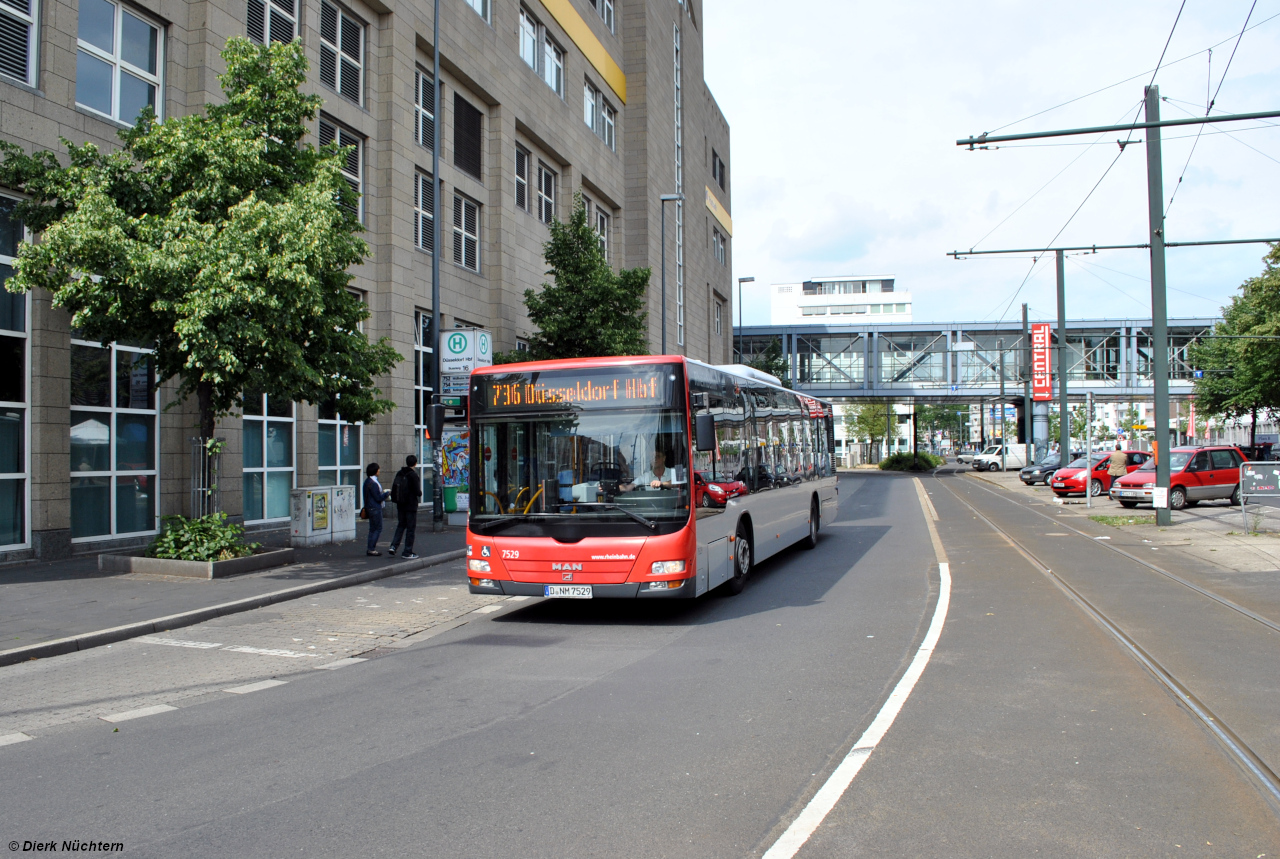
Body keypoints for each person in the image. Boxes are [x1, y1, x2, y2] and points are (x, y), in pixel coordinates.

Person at [388, 455, 423, 559]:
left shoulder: (400, 473)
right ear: (415, 463)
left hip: (400, 504)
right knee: (410, 529)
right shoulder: (413, 475)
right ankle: (407, 551)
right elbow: (417, 491)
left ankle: (393, 546)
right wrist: (419, 493)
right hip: (410, 505)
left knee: (401, 525)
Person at [362, 462, 390, 556]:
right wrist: (386, 494)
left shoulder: (367, 481)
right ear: (375, 471)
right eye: (378, 469)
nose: (379, 471)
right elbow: (378, 498)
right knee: (377, 528)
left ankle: (370, 548)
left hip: (369, 507)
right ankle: (371, 549)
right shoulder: (373, 483)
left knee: (372, 529)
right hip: (375, 508)